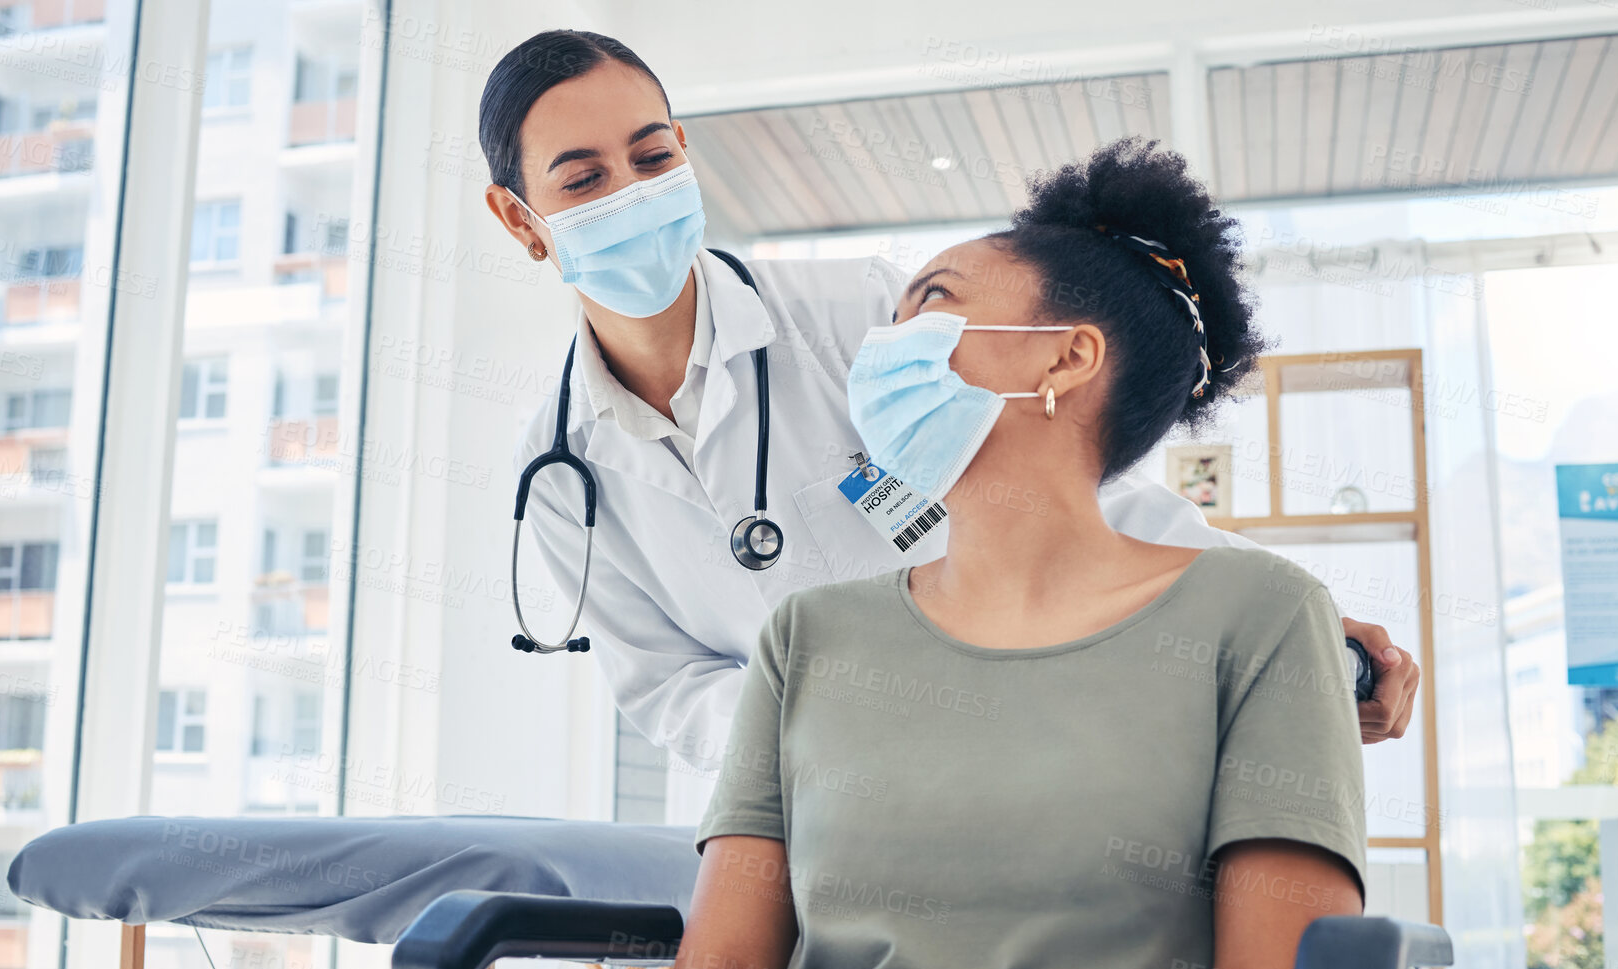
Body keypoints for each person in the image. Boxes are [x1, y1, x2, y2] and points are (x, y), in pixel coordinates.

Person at [336, 139, 1366, 969]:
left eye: (930, 304)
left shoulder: (1260, 616)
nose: (885, 343)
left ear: (1064, 356)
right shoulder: (813, 637)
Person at [479, 29, 1420, 821]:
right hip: (815, 806)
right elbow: (665, 685)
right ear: (521, 222)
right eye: (583, 180)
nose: (633, 193)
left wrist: (1286, 621)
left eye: (652, 158)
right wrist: (829, 721)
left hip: (1019, 733)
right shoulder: (558, 475)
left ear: (684, 149)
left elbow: (1072, 485)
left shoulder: (857, 315)